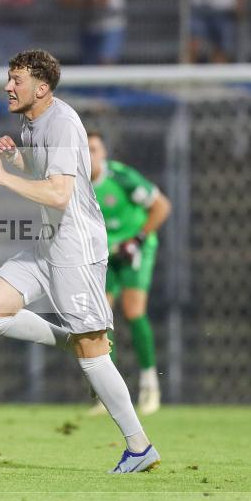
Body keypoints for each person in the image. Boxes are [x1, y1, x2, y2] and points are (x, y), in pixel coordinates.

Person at [0, 49, 160, 473]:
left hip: (74, 247)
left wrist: (3, 177)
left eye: (15, 79)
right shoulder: (34, 118)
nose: (7, 86)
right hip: (48, 242)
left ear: (41, 87)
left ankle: (138, 446)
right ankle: (74, 339)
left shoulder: (61, 122)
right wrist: (17, 160)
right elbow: (49, 171)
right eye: (8, 78)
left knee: (93, 350)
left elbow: (58, 193)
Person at [87, 131, 171, 416]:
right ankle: (107, 395)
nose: (88, 155)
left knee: (133, 312)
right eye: (83, 150)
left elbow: (161, 207)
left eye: (93, 149)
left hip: (136, 248)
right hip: (105, 255)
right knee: (100, 320)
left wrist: (136, 239)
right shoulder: (75, 185)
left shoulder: (121, 178)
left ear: (104, 153)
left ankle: (150, 385)